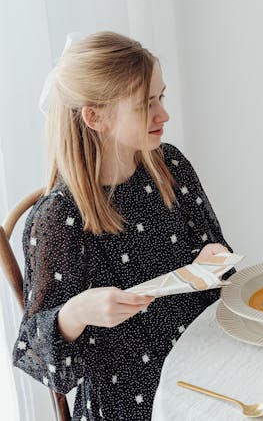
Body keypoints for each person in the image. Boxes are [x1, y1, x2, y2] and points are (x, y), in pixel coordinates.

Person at [13, 31, 232, 420]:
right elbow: (34, 351)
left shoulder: (170, 167)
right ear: (95, 117)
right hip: (127, 403)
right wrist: (76, 313)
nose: (163, 115)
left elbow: (217, 261)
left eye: (161, 97)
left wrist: (212, 261)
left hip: (204, 370)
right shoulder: (59, 219)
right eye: (145, 105)